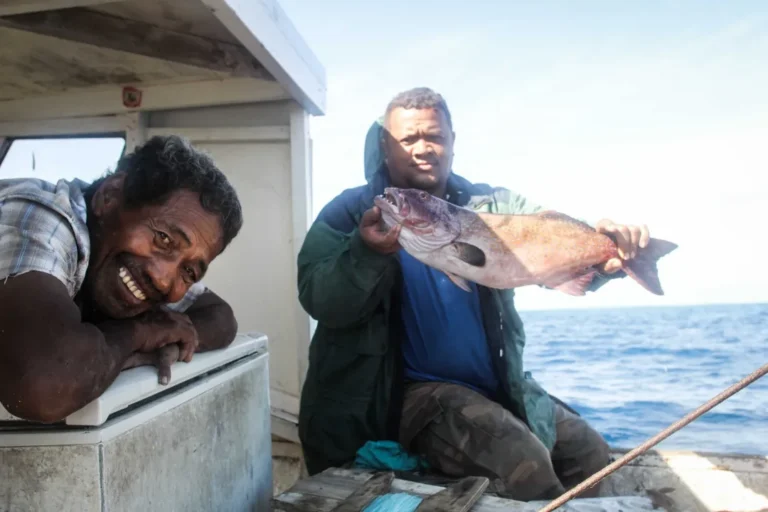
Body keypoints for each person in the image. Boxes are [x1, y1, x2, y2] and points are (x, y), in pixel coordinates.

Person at [296, 87, 652, 501]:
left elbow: (550, 240)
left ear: (452, 142)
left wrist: (605, 251)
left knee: (590, 453)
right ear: (384, 146)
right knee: (522, 462)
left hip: (495, 384)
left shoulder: (493, 205)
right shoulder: (349, 212)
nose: (423, 148)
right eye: (408, 139)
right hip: (403, 395)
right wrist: (365, 253)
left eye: (434, 136)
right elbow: (318, 298)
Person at [0, 135, 243, 423]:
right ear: (110, 196)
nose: (164, 280)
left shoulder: (129, 263)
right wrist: (141, 333)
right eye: (163, 239)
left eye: (189, 271)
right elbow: (43, 385)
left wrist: (161, 339)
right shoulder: (38, 217)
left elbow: (221, 317)